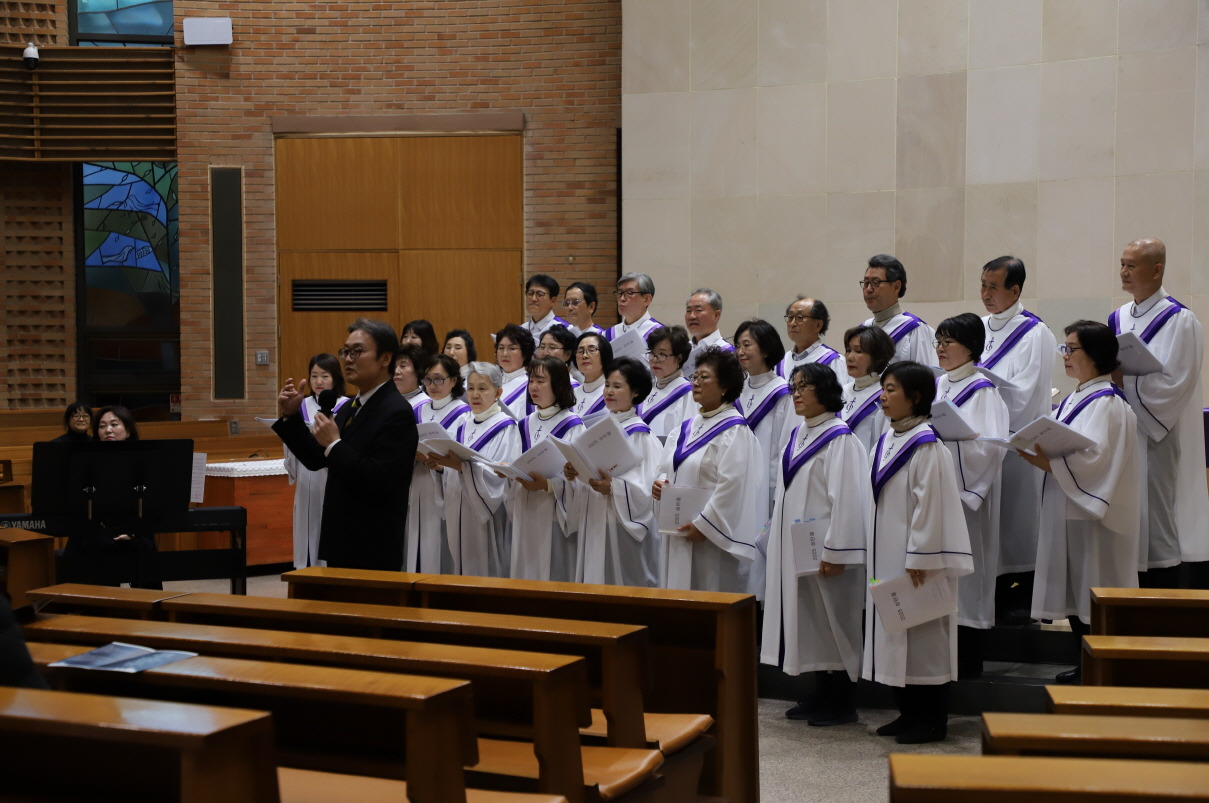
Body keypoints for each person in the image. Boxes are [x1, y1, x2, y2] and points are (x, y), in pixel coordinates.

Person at [1022, 321, 1140, 683]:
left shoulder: (1109, 403)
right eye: (1065, 348)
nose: (1065, 356)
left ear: (1097, 354)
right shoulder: (1075, 397)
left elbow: (1096, 460)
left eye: (1072, 349)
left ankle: (1106, 671)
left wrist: (1050, 462)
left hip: (1095, 518)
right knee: (1075, 593)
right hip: (1069, 507)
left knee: (1095, 593)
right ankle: (1086, 664)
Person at [864, 361, 972, 745]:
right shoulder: (887, 439)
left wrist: (921, 556)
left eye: (891, 389)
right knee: (896, 633)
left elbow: (931, 505)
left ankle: (932, 721)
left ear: (916, 397)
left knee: (925, 639)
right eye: (883, 388)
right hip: (887, 555)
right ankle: (908, 712)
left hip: (918, 562)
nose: (882, 396)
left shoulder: (927, 444)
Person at [762, 363, 870, 727]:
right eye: (794, 386)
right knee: (810, 622)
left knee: (834, 621)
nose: (796, 393)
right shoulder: (798, 434)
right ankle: (822, 692)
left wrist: (837, 551)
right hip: (798, 548)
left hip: (827, 551)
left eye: (804, 387)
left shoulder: (841, 439)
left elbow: (848, 499)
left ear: (824, 391)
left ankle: (843, 701)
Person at [273, 318, 419, 570]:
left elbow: (380, 479)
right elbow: (315, 458)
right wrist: (290, 416)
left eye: (357, 351)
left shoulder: (397, 412)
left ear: (385, 358)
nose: (348, 359)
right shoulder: (351, 407)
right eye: (345, 352)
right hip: (341, 538)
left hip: (372, 545)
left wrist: (335, 445)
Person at [1110, 238, 1209, 589]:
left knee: (1155, 520)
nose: (1123, 272)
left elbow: (1177, 383)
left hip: (1158, 433)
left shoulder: (1181, 320)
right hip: (1123, 431)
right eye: (1122, 264)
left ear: (1156, 270)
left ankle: (1161, 598)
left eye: (1131, 265)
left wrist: (1126, 379)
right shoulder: (1118, 317)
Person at [976, 256, 1057, 621]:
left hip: (1015, 445)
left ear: (1015, 290)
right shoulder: (977, 328)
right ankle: (989, 592)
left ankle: (1024, 594)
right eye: (983, 285)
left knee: (1017, 522)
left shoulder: (1035, 333)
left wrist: (984, 392)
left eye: (993, 287)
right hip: (979, 444)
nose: (985, 294)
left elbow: (1027, 394)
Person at [934, 313, 1008, 679]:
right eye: (939, 341)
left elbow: (991, 446)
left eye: (949, 341)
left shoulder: (983, 391)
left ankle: (968, 666)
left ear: (971, 347)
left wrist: (952, 443)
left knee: (966, 581)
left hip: (965, 501)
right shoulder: (937, 384)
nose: (941, 348)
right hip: (936, 495)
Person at [653, 347, 764, 592]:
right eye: (695, 377)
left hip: (710, 541)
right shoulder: (685, 428)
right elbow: (666, 467)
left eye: (704, 377)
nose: (696, 382)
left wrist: (704, 525)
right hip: (677, 532)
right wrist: (660, 484)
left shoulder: (735, 431)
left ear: (725, 386)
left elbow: (733, 486)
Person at [564, 357, 661, 587]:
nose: (608, 391)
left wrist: (615, 488)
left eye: (617, 386)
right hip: (595, 518)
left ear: (635, 392)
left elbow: (648, 490)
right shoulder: (599, 429)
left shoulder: (641, 435)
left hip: (621, 527)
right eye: (607, 384)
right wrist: (574, 472)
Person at [431, 361, 520, 577]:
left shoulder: (506, 427)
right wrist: (441, 468)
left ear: (498, 392)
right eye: (470, 388)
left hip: (484, 514)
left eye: (482, 388)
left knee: (484, 568)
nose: (475, 394)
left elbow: (499, 476)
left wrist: (461, 467)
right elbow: (453, 463)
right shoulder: (462, 422)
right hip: (457, 507)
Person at [507, 356, 584, 581]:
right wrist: (507, 470)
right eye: (531, 380)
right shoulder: (524, 424)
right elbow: (514, 460)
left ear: (558, 385)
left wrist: (550, 485)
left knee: (552, 575)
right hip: (524, 507)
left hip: (553, 513)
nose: (533, 387)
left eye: (541, 381)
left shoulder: (573, 425)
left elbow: (579, 478)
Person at [282, 353, 349, 570]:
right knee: (305, 522)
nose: (319, 381)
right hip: (305, 475)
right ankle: (304, 567)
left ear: (335, 378)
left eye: (325, 376)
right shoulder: (301, 404)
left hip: (329, 475)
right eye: (314, 376)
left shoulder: (346, 406)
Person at [406, 354, 472, 573]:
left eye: (438, 379)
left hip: (444, 488)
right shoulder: (417, 410)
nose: (432, 385)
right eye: (427, 379)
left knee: (439, 547)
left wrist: (442, 466)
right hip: (417, 481)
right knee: (416, 541)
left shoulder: (463, 415)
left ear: (453, 380)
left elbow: (464, 458)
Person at [733, 318, 792, 519]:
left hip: (766, 486)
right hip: (734, 480)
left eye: (746, 345)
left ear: (766, 349)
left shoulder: (783, 394)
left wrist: (777, 492)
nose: (740, 352)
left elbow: (785, 447)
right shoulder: (736, 390)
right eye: (738, 346)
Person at [860, 254, 937, 366]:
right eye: (866, 283)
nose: (868, 289)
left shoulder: (915, 330)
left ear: (896, 287)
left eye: (876, 283)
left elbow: (926, 374)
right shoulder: (863, 329)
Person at [840, 325, 895, 453]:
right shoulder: (841, 392)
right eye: (848, 350)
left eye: (858, 351)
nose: (849, 357)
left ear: (878, 357)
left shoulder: (885, 396)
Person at [637, 325, 695, 438]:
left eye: (662, 354)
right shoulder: (646, 387)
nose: (654, 359)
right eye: (652, 353)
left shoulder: (688, 395)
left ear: (679, 358)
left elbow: (686, 438)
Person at [778, 296, 848, 387]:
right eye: (790, 317)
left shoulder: (833, 361)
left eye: (799, 317)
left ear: (818, 325)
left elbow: (842, 395)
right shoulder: (781, 362)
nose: (792, 323)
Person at [683, 288, 733, 376]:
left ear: (716, 315)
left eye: (698, 310)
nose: (692, 316)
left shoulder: (728, 353)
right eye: (689, 311)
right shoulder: (682, 351)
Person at [605, 272, 663, 342]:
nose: (622, 298)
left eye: (629, 293)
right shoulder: (608, 334)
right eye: (620, 293)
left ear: (646, 299)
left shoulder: (660, 334)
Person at [495, 323, 536, 419]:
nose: (505, 354)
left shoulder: (530, 385)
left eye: (512, 348)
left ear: (525, 353)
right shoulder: (490, 380)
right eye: (501, 348)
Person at [573, 330, 613, 425]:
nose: (584, 355)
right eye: (580, 351)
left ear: (605, 354)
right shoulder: (571, 394)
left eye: (591, 350)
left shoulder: (613, 393)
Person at [520, 274, 569, 341]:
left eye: (540, 294)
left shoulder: (565, 330)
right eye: (530, 293)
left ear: (553, 300)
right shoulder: (520, 331)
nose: (533, 299)